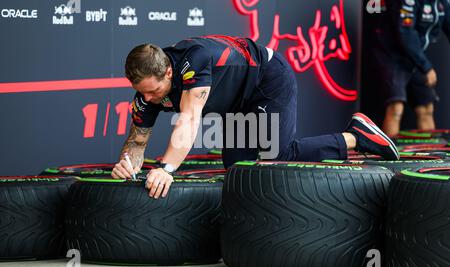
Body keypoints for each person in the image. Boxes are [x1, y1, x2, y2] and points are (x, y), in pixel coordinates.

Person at [112, 35, 399, 198]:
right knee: (239, 170)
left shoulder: (194, 63)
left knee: (279, 153)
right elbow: (137, 142)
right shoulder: (147, 94)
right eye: (142, 92)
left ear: (168, 73)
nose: (148, 99)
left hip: (267, 78)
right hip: (237, 102)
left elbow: (188, 121)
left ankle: (356, 136)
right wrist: (128, 165)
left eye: (153, 90)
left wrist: (166, 169)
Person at [370, 0, 450, 137]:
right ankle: (389, 155)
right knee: (396, 108)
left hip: (415, 58)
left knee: (426, 109)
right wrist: (426, 67)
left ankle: (429, 156)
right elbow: (406, 34)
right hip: (393, 57)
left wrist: (423, 65)